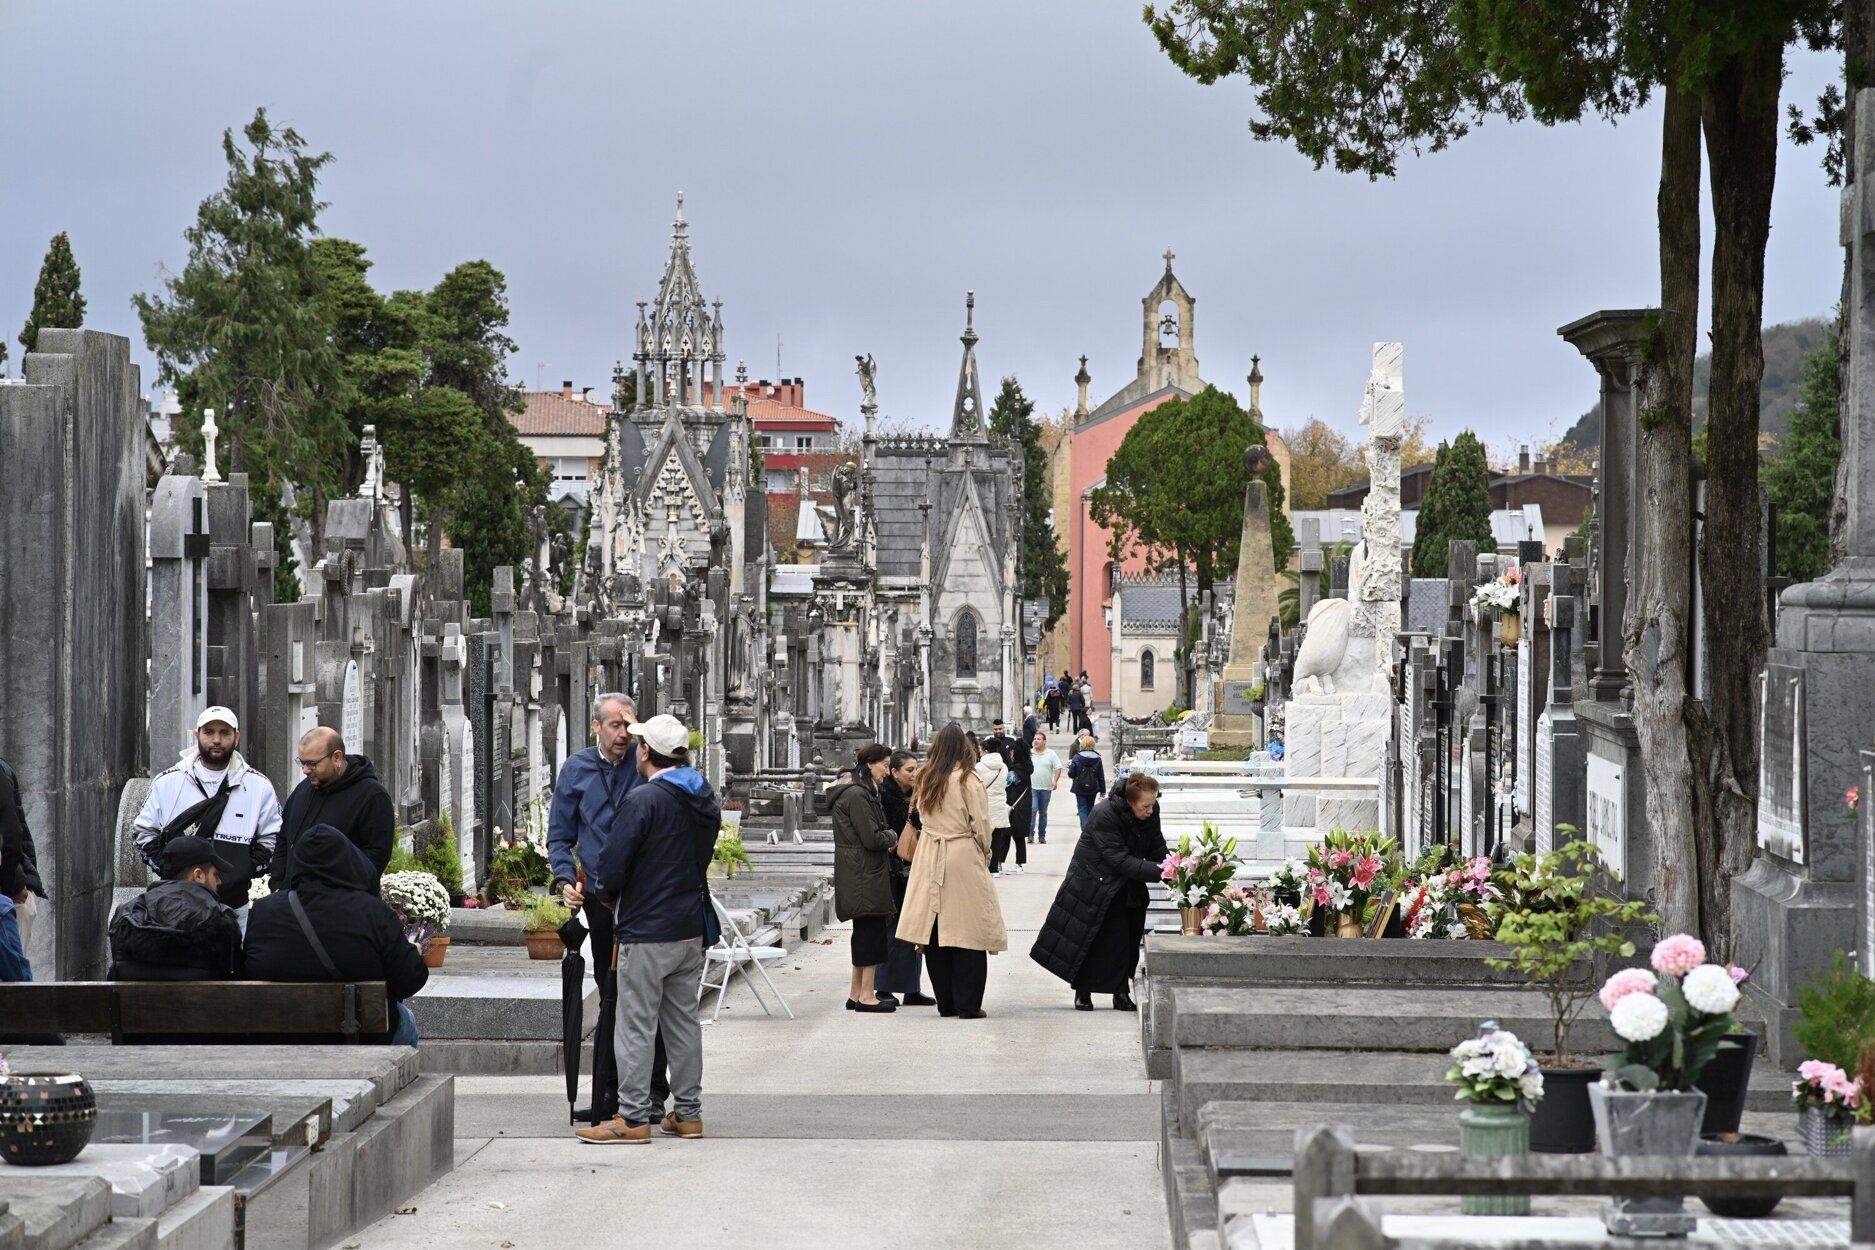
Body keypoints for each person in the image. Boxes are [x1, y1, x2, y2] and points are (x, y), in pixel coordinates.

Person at [578, 714, 719, 1145]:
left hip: (646, 927)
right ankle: (689, 1114)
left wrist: (606, 894)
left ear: (645, 752)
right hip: (689, 926)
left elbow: (612, 865)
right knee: (683, 1024)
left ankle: (634, 1117)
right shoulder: (703, 795)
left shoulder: (643, 800)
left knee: (636, 1024)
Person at [549, 692, 659, 1127]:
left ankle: (652, 1091)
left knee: (645, 993)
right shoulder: (576, 769)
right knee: (609, 990)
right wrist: (565, 880)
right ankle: (610, 1092)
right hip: (599, 897)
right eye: (615, 724)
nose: (623, 734)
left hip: (642, 897)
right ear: (596, 726)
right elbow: (560, 835)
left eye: (629, 725)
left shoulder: (645, 764)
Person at [244, 823, 429, 1045]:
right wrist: (414, 955)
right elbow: (408, 983)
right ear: (349, 861)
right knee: (406, 1020)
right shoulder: (373, 913)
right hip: (359, 1040)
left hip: (279, 1040)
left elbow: (250, 969)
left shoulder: (264, 911)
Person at [131, 706, 282, 930]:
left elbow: (273, 838)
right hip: (177, 907)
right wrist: (167, 867)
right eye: (209, 732)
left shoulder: (259, 786)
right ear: (197, 735)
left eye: (224, 733)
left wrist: (244, 870)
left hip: (234, 908)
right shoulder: (167, 782)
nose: (216, 739)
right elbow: (143, 832)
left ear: (237, 737)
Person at [1031, 773, 1169, 1011]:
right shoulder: (1104, 814)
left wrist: (1176, 865)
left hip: (1127, 885)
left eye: (1152, 804)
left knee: (1126, 940)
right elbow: (1119, 860)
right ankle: (1083, 991)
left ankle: (1120, 992)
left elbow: (1157, 847)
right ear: (1130, 801)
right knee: (1092, 939)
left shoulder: (1150, 812)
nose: (1150, 810)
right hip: (1094, 882)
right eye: (1145, 806)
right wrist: (1165, 871)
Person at [897, 724, 1006, 1019]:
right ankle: (968, 1004)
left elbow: (919, 815)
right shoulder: (968, 780)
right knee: (969, 929)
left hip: (929, 852)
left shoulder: (926, 776)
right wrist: (985, 852)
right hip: (961, 852)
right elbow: (981, 824)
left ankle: (946, 1002)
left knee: (934, 929)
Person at [271, 728, 394, 891]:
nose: (305, 770)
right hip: (291, 899)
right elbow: (284, 837)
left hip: (340, 903)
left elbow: (375, 859)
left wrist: (330, 896)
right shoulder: (304, 788)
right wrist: (277, 883)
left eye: (312, 764)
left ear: (337, 757)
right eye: (302, 763)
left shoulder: (372, 796)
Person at [108, 836, 244, 981]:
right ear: (198, 875)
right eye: (215, 874)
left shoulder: (128, 912)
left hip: (130, 996)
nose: (219, 881)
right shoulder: (221, 918)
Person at [829, 744, 898, 1013]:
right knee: (871, 935)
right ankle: (867, 996)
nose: (887, 772)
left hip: (860, 871)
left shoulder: (858, 791)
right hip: (864, 873)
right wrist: (892, 836)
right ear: (870, 764)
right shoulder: (858, 795)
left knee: (864, 933)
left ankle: (856, 993)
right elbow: (872, 838)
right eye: (885, 765)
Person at [874, 751, 932, 1007]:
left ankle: (912, 988)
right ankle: (884, 987)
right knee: (892, 928)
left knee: (915, 926)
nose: (914, 774)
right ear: (894, 772)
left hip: (915, 865)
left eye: (916, 769)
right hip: (891, 869)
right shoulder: (883, 797)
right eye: (909, 770)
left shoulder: (918, 795)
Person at [0, 755, 44, 983]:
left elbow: (11, 837)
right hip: (11, 891)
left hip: (11, 892)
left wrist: (13, 886)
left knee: (14, 982)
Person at [977, 743, 1013, 877]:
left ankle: (983, 866)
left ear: (986, 751)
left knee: (983, 838)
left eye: (981, 750)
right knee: (997, 838)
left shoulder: (979, 767)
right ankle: (994, 868)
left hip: (984, 804)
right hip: (999, 805)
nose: (980, 753)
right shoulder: (1003, 767)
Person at [1001, 736, 1033, 874]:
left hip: (1013, 806)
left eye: (1012, 752)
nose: (1010, 755)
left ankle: (999, 863)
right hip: (1024, 805)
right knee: (1019, 837)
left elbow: (1006, 785)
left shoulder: (1015, 771)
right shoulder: (1027, 768)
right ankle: (1019, 864)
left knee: (1005, 835)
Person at [1030, 732, 1064, 846]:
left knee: (1043, 812)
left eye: (1039, 739)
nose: (1036, 741)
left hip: (1045, 788)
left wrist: (1055, 780)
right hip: (1032, 787)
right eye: (1035, 739)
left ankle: (1042, 835)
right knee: (1033, 809)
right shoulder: (1030, 753)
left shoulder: (1051, 754)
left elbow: (1058, 767)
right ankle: (1030, 834)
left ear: (1044, 741)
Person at [1067, 733, 1105, 828]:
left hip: (1079, 787)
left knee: (1082, 808)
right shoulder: (1097, 758)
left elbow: (1071, 773)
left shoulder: (1077, 757)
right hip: (1093, 787)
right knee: (1090, 807)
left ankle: (1084, 828)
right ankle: (1089, 828)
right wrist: (1103, 791)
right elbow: (1101, 776)